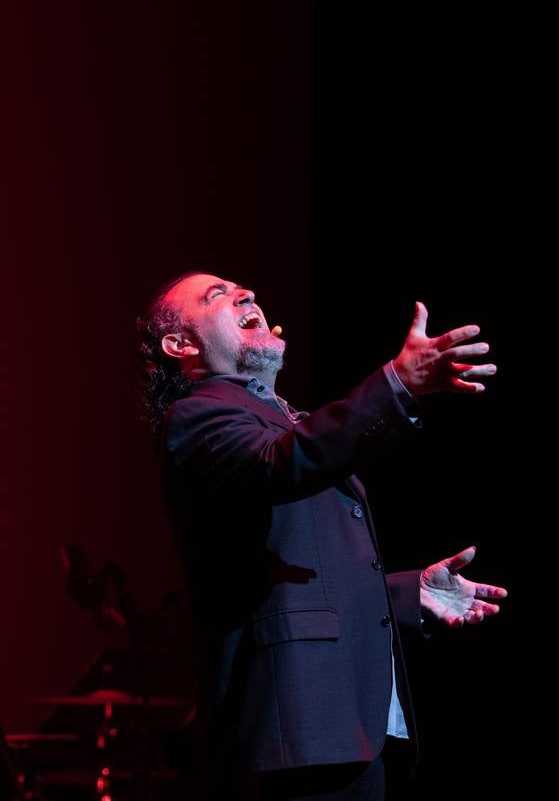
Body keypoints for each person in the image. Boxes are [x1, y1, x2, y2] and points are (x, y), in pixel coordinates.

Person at [137, 270, 507, 800]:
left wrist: (408, 593)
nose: (248, 293)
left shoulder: (280, 419)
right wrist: (396, 385)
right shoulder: (197, 417)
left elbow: (301, 566)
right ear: (180, 344)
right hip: (296, 725)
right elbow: (283, 464)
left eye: (243, 288)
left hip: (345, 724)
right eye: (217, 294)